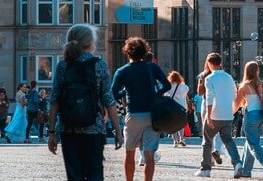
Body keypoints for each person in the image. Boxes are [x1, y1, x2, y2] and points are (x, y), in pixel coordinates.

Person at [47, 23, 122, 181]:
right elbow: (109, 101)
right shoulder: (99, 65)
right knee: (95, 174)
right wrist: (117, 131)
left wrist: (52, 133)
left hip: (68, 129)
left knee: (74, 176)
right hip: (93, 129)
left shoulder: (62, 66)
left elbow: (54, 101)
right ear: (90, 43)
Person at [111, 37, 171, 181]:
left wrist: (125, 92)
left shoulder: (122, 71)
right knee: (149, 154)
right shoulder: (152, 67)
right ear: (144, 52)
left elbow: (113, 93)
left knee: (129, 151)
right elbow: (167, 86)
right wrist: (156, 94)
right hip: (152, 114)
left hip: (134, 114)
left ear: (127, 52)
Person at [195, 52, 243, 179]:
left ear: (209, 63)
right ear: (220, 63)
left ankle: (205, 169)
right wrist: (231, 111)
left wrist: (209, 116)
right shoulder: (229, 77)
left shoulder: (209, 78)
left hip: (215, 115)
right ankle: (237, 163)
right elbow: (234, 95)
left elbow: (209, 99)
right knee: (228, 140)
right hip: (227, 115)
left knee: (207, 141)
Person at [233, 61, 263, 179]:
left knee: (253, 144)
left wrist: (229, 114)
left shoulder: (244, 86)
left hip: (251, 115)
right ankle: (246, 171)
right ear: (257, 71)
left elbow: (237, 104)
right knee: (250, 142)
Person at [167, 71, 190, 147]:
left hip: (172, 107)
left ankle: (175, 141)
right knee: (181, 124)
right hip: (182, 108)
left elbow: (165, 94)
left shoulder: (169, 86)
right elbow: (187, 89)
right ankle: (182, 139)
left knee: (173, 124)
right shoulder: (183, 86)